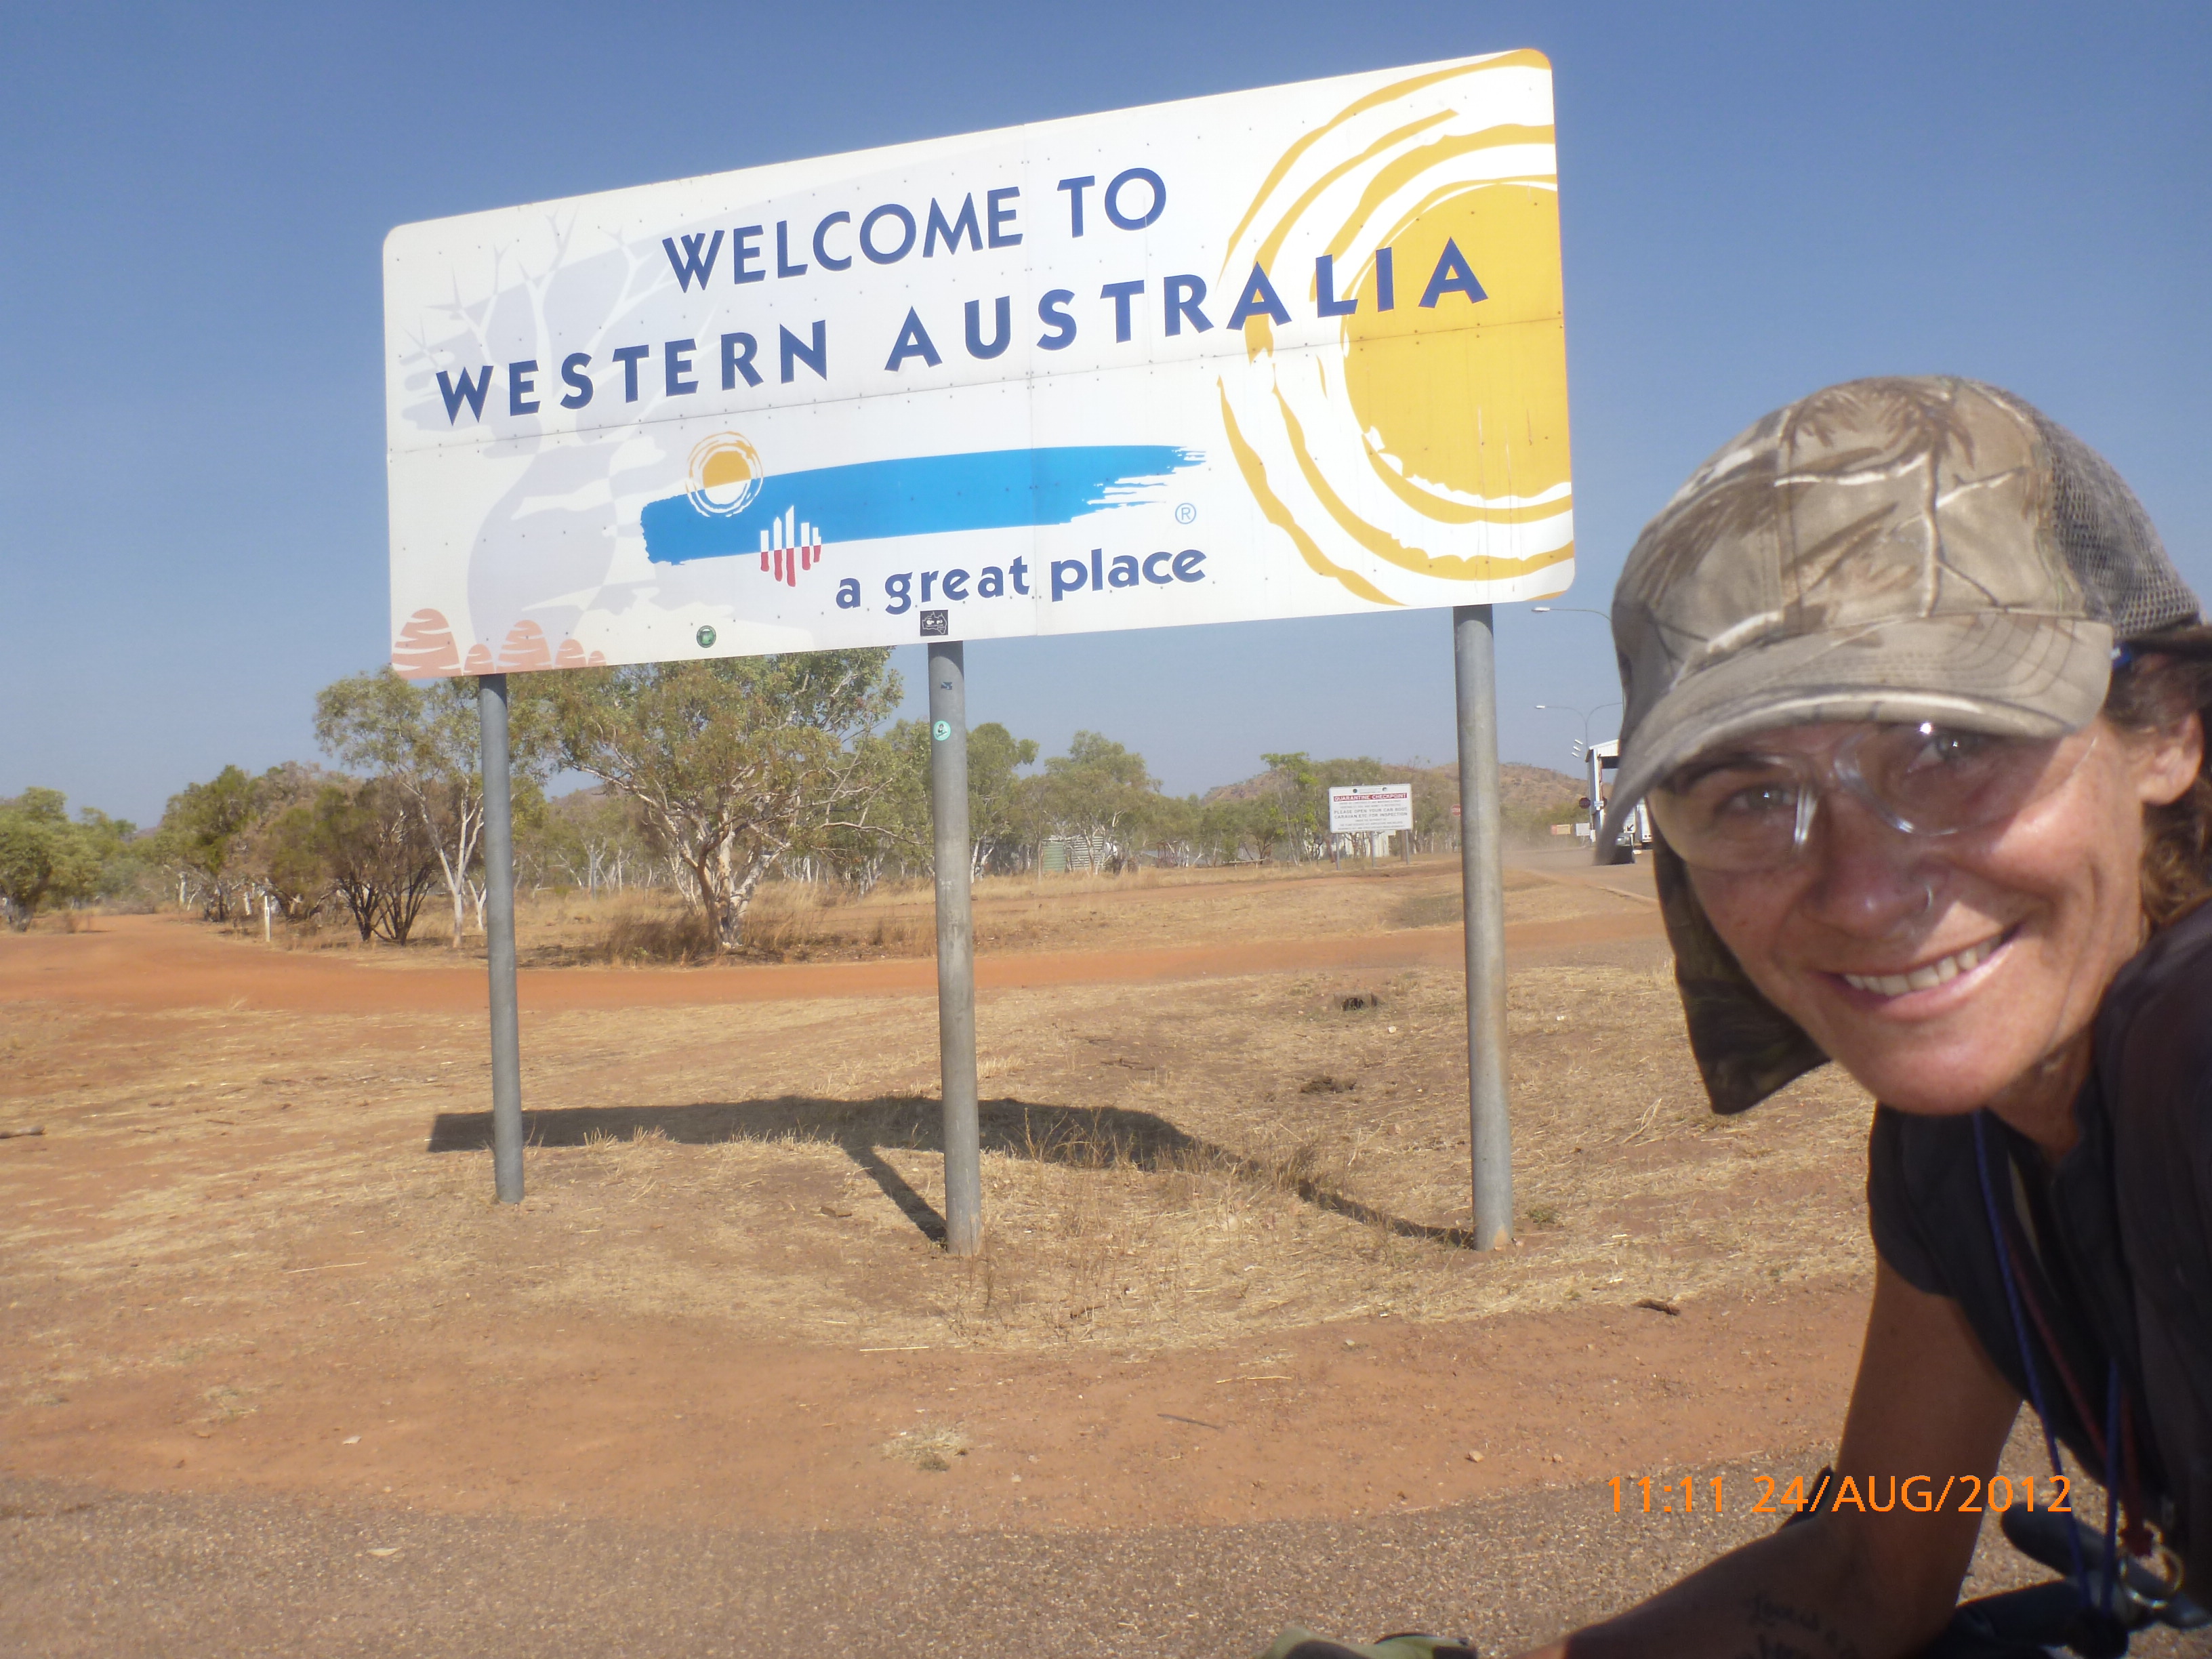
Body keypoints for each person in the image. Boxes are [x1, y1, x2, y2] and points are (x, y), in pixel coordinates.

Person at [1483, 375, 2212, 1658]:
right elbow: (1871, 1562)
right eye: (1752, 795)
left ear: (2164, 732)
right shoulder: (1962, 1143)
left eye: (1953, 745)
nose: (1863, 893)